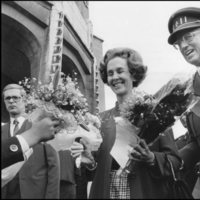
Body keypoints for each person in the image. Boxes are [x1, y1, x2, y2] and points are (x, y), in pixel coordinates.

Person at [71, 47, 182, 199]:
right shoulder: (100, 120)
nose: (114, 77)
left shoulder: (155, 113)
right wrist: (90, 161)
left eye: (120, 71)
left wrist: (151, 158)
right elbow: (96, 170)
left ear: (133, 74)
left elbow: (175, 162)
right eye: (110, 73)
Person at [1, 84, 60, 199]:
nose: (11, 101)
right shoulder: (2, 129)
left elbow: (54, 166)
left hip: (34, 193)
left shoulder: (41, 127)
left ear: (25, 99)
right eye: (7, 98)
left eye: (15, 97)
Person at [167, 7, 200, 198]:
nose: (183, 45)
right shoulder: (191, 88)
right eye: (179, 42)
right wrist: (163, 162)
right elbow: (196, 144)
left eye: (189, 36)